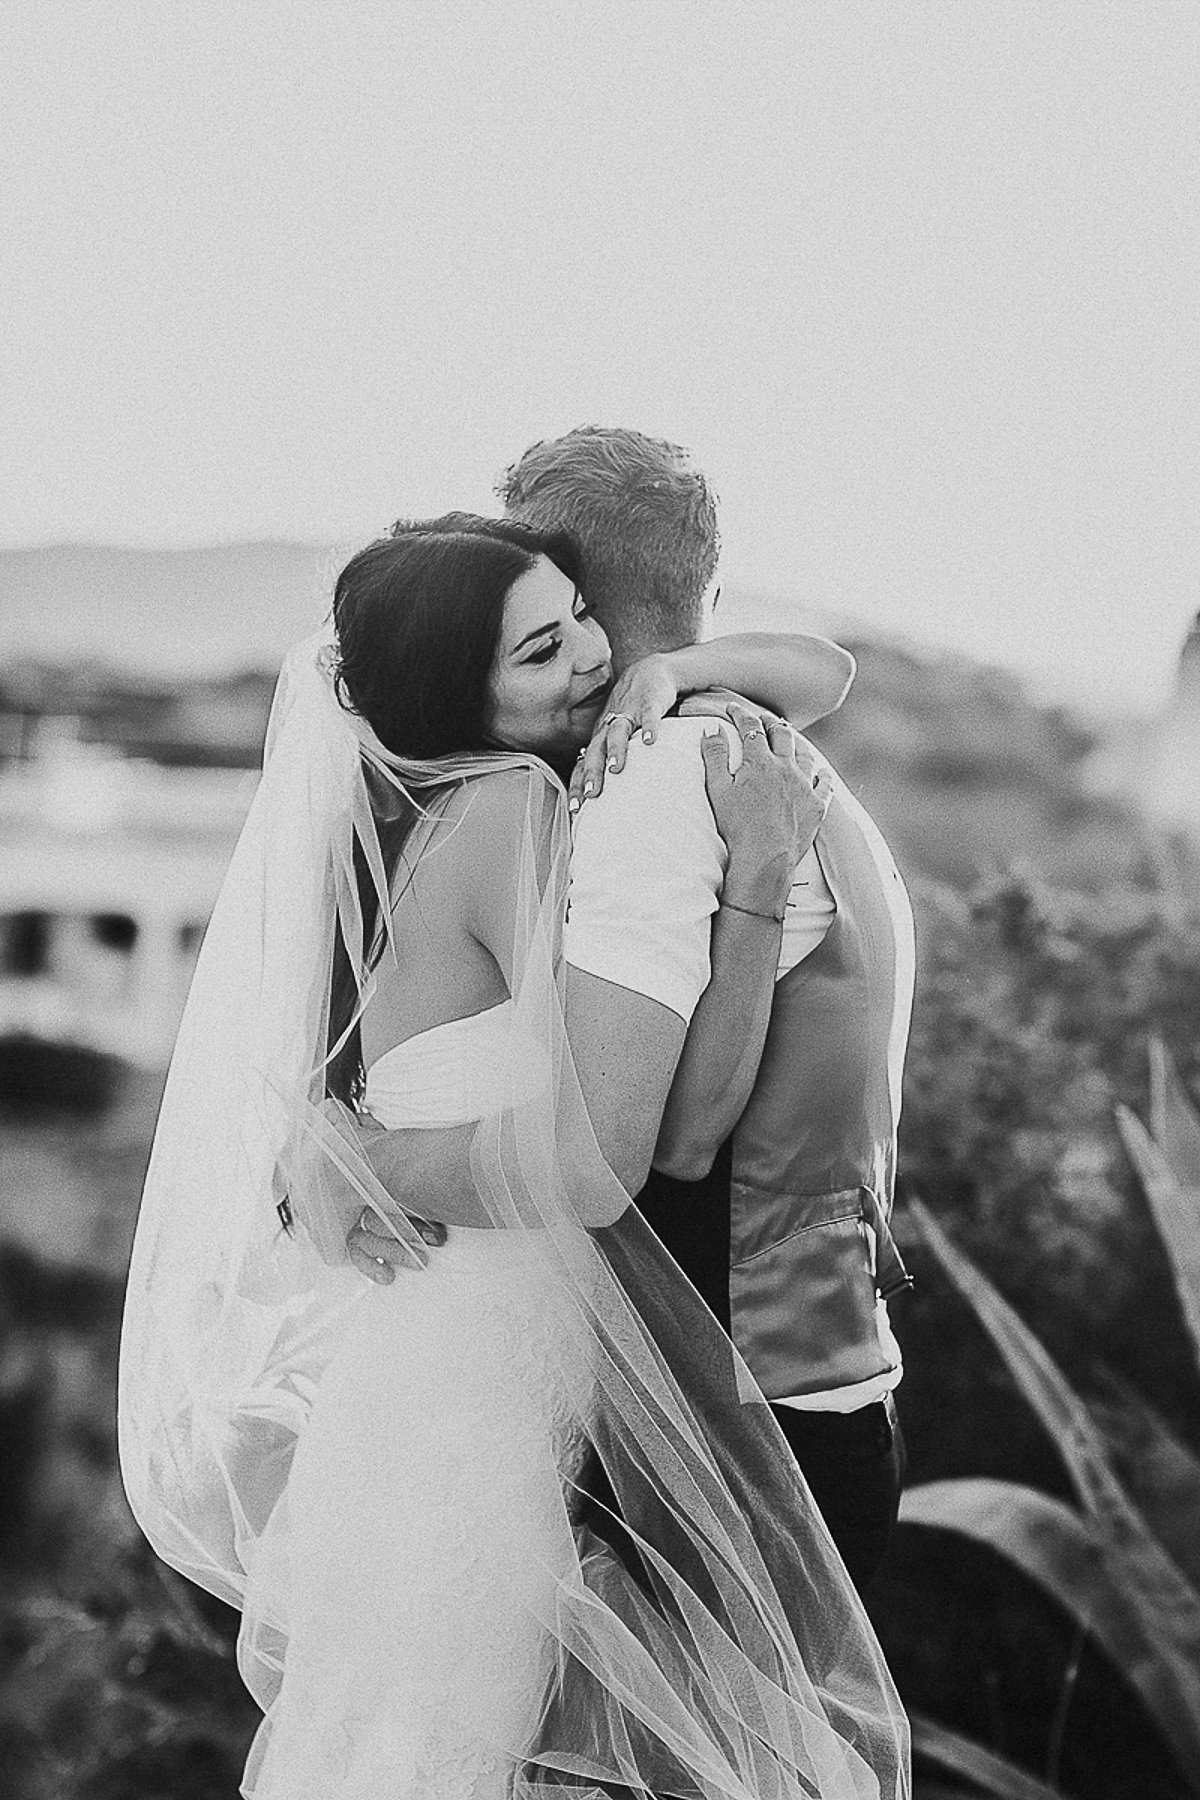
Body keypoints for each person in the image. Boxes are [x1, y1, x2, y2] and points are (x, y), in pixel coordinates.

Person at [118, 514, 910, 1799]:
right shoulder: (521, 814)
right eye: (544, 649)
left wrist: (670, 671)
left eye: (583, 620)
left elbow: (826, 672)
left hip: (427, 1366)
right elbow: (632, 1147)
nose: (593, 659)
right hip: (494, 1384)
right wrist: (758, 873)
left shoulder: (403, 824)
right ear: (461, 697)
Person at [354, 427, 915, 1592]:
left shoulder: (652, 776)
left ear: (574, 592)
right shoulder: (783, 754)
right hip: (823, 1388)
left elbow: (646, 1146)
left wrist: (355, 1164)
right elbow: (826, 668)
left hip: (718, 1421)